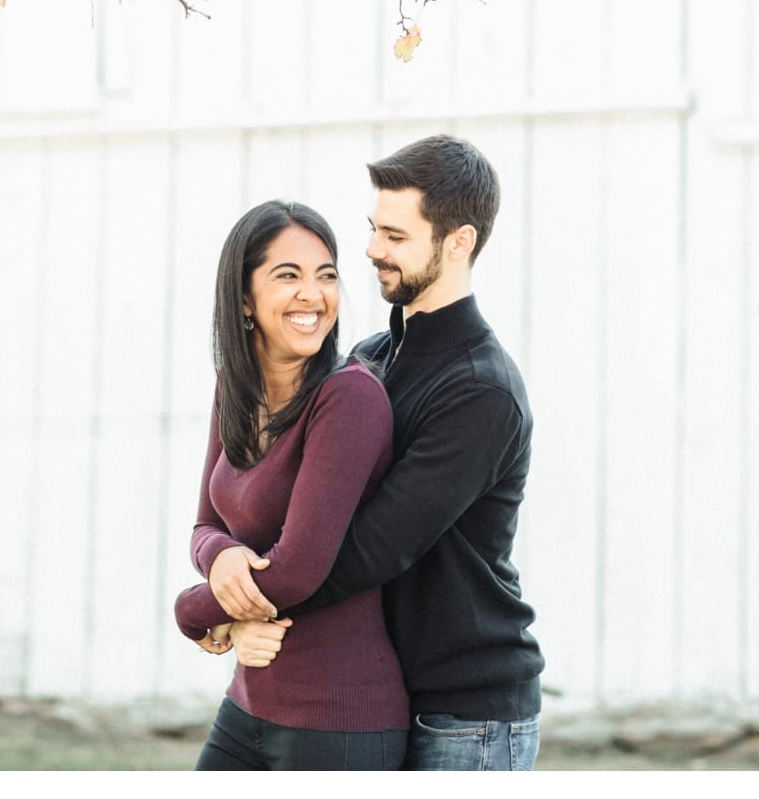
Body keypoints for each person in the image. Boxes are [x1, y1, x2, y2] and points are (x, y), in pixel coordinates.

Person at [209, 135, 545, 771]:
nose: (369, 250)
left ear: (458, 242)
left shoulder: (481, 392)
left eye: (394, 235)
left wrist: (222, 607)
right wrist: (224, 556)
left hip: (465, 711)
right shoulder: (370, 359)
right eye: (372, 229)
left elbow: (367, 550)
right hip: (388, 691)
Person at [174, 199, 409, 771]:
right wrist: (223, 554)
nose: (313, 294)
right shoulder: (235, 387)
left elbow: (297, 571)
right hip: (250, 703)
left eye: (325, 275)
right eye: (288, 276)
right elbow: (206, 524)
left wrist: (193, 610)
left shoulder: (347, 397)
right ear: (245, 299)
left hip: (338, 719)